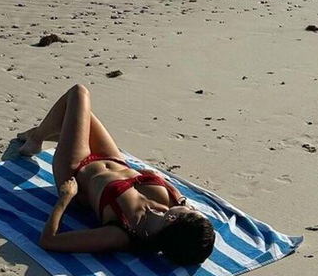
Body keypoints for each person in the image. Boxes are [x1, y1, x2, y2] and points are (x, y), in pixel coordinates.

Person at [16, 84, 215, 265]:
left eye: (192, 212)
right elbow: (172, 194)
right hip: (113, 158)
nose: (190, 207)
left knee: (78, 94)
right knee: (78, 113)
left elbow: (49, 240)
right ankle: (45, 133)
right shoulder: (174, 204)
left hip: (76, 168)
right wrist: (156, 179)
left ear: (173, 221)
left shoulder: (121, 233)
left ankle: (38, 137)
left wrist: (64, 198)